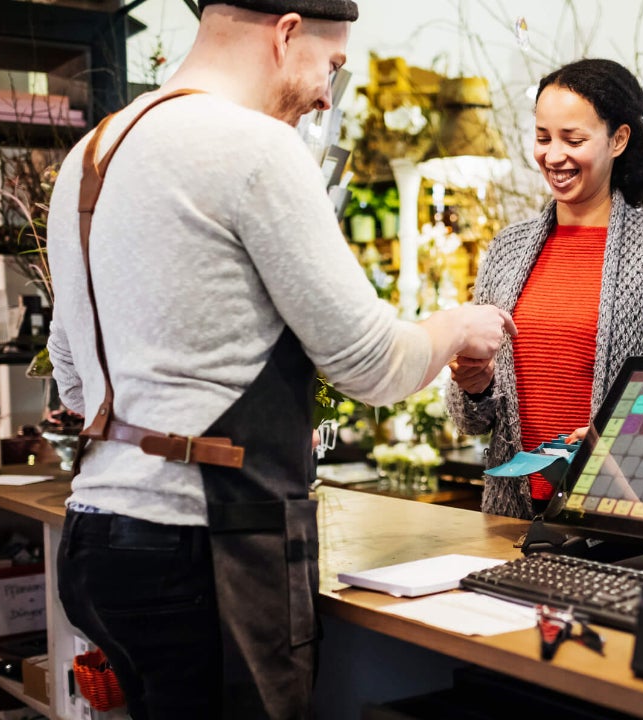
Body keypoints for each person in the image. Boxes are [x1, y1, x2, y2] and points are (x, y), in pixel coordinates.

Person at [46, 2, 514, 718]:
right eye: (332, 65)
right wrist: (457, 326)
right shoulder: (254, 147)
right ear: (287, 32)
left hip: (97, 540)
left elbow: (73, 380)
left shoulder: (95, 151)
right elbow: (374, 366)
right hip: (203, 551)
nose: (329, 93)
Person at [447, 58, 643, 520]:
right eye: (543, 137)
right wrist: (476, 386)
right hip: (512, 517)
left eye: (574, 139)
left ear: (618, 140)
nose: (553, 155)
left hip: (623, 519)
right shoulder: (507, 251)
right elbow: (472, 421)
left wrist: (618, 434)